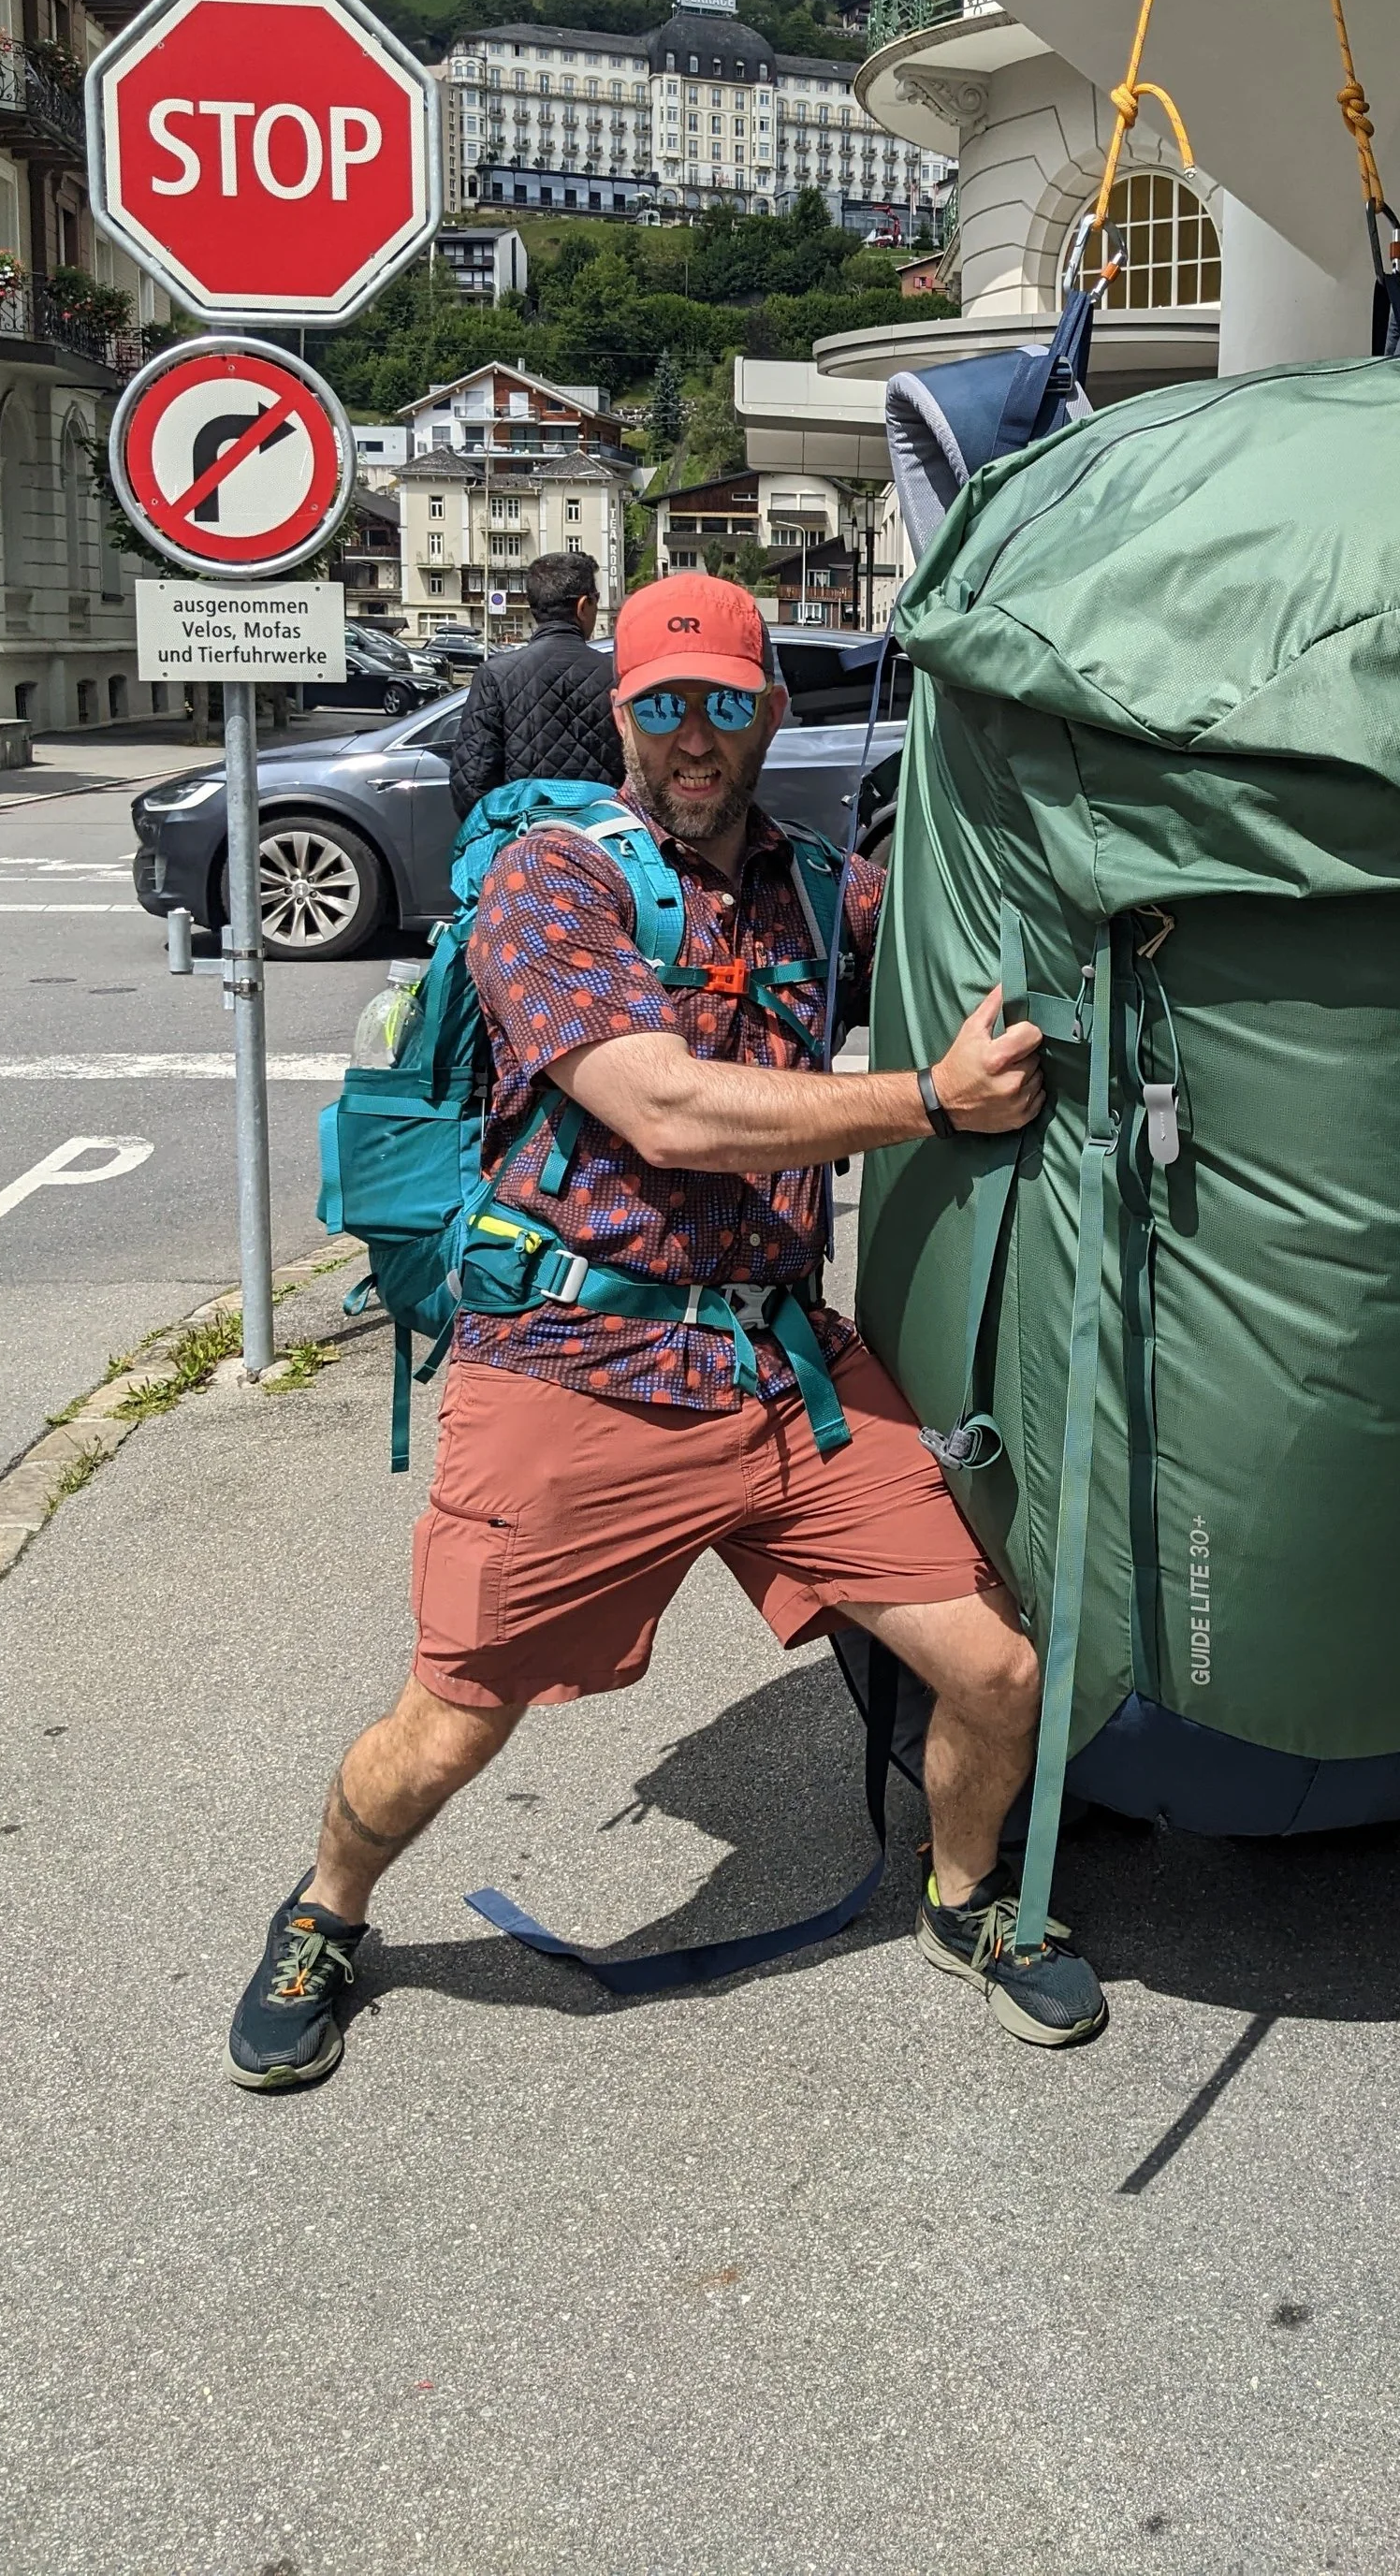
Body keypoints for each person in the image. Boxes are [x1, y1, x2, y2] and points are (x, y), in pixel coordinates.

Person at [230, 575, 1107, 2092]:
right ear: (624, 713)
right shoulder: (552, 880)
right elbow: (663, 1104)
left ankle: (966, 1899)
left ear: (772, 707)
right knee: (448, 1723)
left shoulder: (819, 886)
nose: (695, 736)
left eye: (724, 701)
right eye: (664, 704)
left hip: (778, 1369)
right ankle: (325, 1912)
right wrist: (924, 1104)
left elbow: (985, 931)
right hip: (584, 1367)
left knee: (999, 1668)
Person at [445, 547, 623, 824]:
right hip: (605, 840)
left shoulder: (495, 675)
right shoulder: (615, 675)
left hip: (523, 843)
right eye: (596, 600)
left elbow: (471, 784)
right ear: (582, 606)